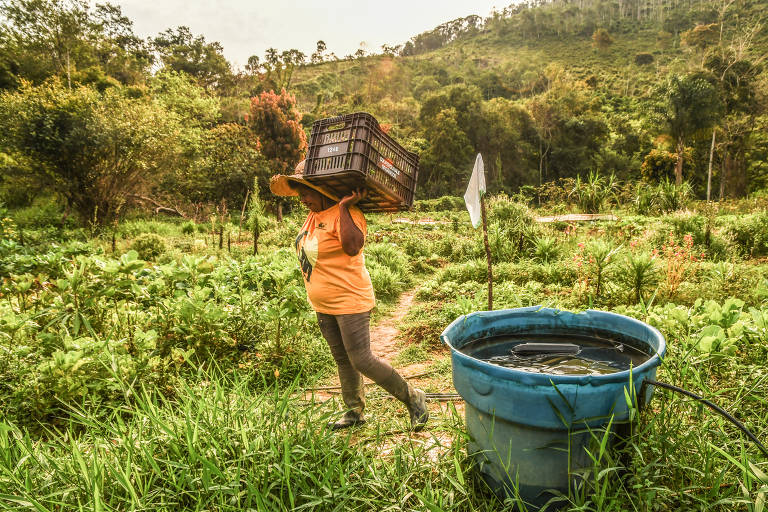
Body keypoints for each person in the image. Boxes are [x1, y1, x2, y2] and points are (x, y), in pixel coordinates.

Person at [270, 161, 428, 431]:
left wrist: (342, 206)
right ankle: (354, 413)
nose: (303, 199)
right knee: (343, 359)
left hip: (349, 300)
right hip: (323, 303)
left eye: (306, 192)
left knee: (361, 358)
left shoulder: (347, 213)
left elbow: (353, 247)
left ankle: (413, 397)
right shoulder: (314, 214)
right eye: (299, 194)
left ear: (321, 188)